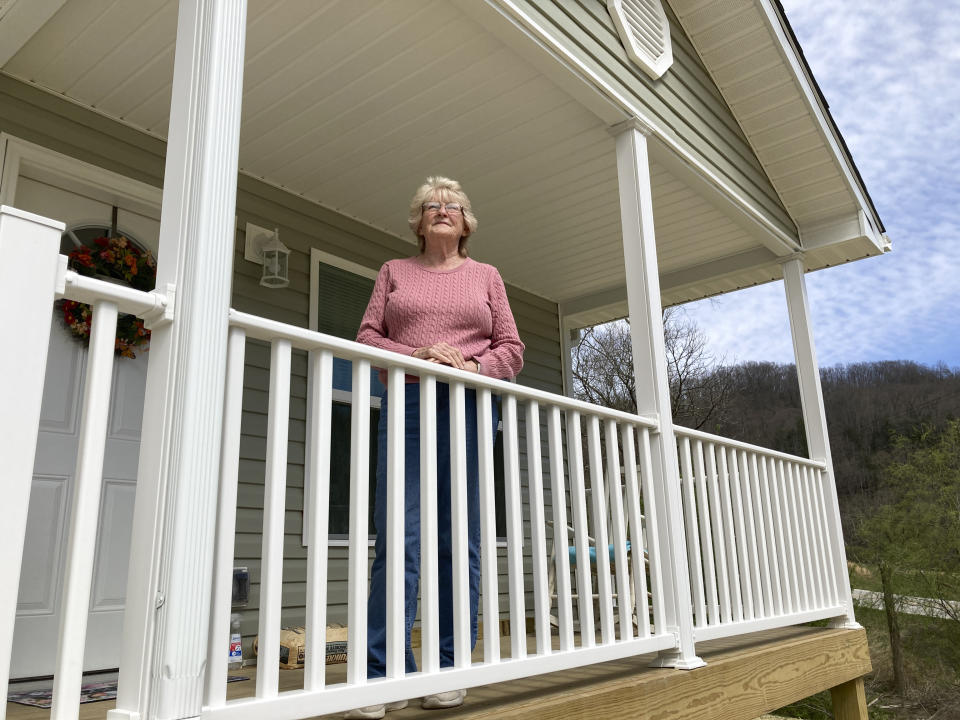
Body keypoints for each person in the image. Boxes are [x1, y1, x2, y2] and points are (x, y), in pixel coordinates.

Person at [346, 177, 524, 719]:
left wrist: (471, 366)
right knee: (399, 538)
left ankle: (449, 670)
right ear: (418, 222)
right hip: (409, 406)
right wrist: (417, 353)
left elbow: (512, 348)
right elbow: (366, 337)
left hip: (469, 407)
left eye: (453, 206)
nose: (442, 211)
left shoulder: (486, 276)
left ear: (467, 223)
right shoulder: (393, 273)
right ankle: (383, 675)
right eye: (431, 206)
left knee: (459, 540)